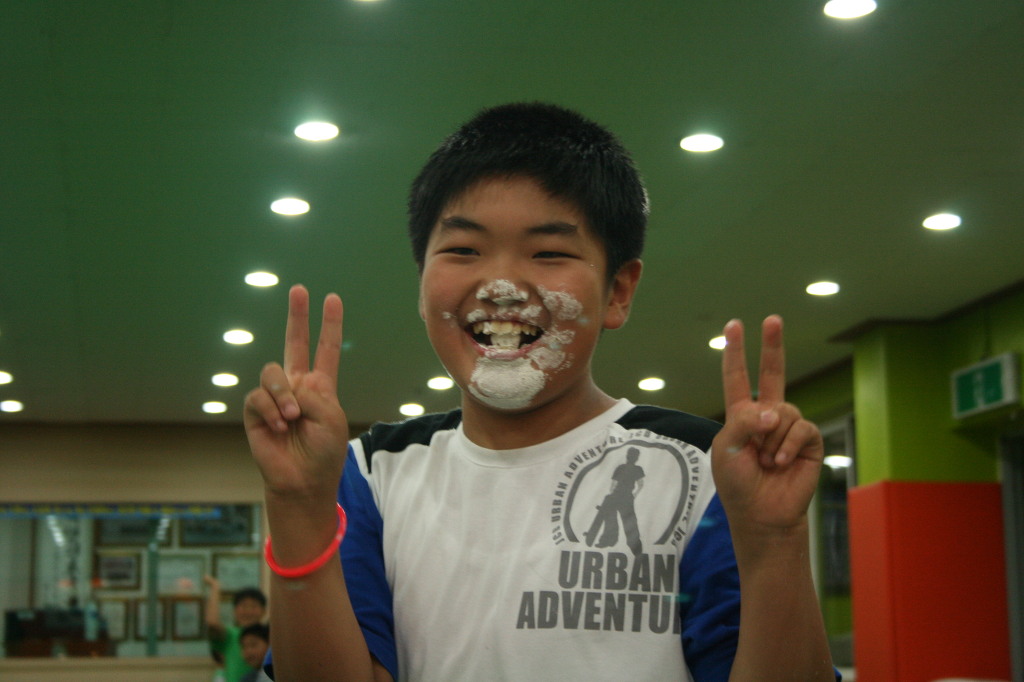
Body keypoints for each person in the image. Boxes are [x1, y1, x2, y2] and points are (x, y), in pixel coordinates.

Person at [244, 102, 839, 681]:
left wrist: (774, 543)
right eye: (463, 250)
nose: (502, 284)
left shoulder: (703, 469)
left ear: (618, 291)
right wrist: (297, 505)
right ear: (422, 283)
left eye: (549, 253)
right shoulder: (373, 471)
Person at [204, 576, 267, 682]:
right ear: (234, 610)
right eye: (243, 606)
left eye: (253, 606)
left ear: (264, 611)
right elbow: (212, 623)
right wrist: (215, 587)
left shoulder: (270, 634)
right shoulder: (230, 635)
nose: (248, 611)